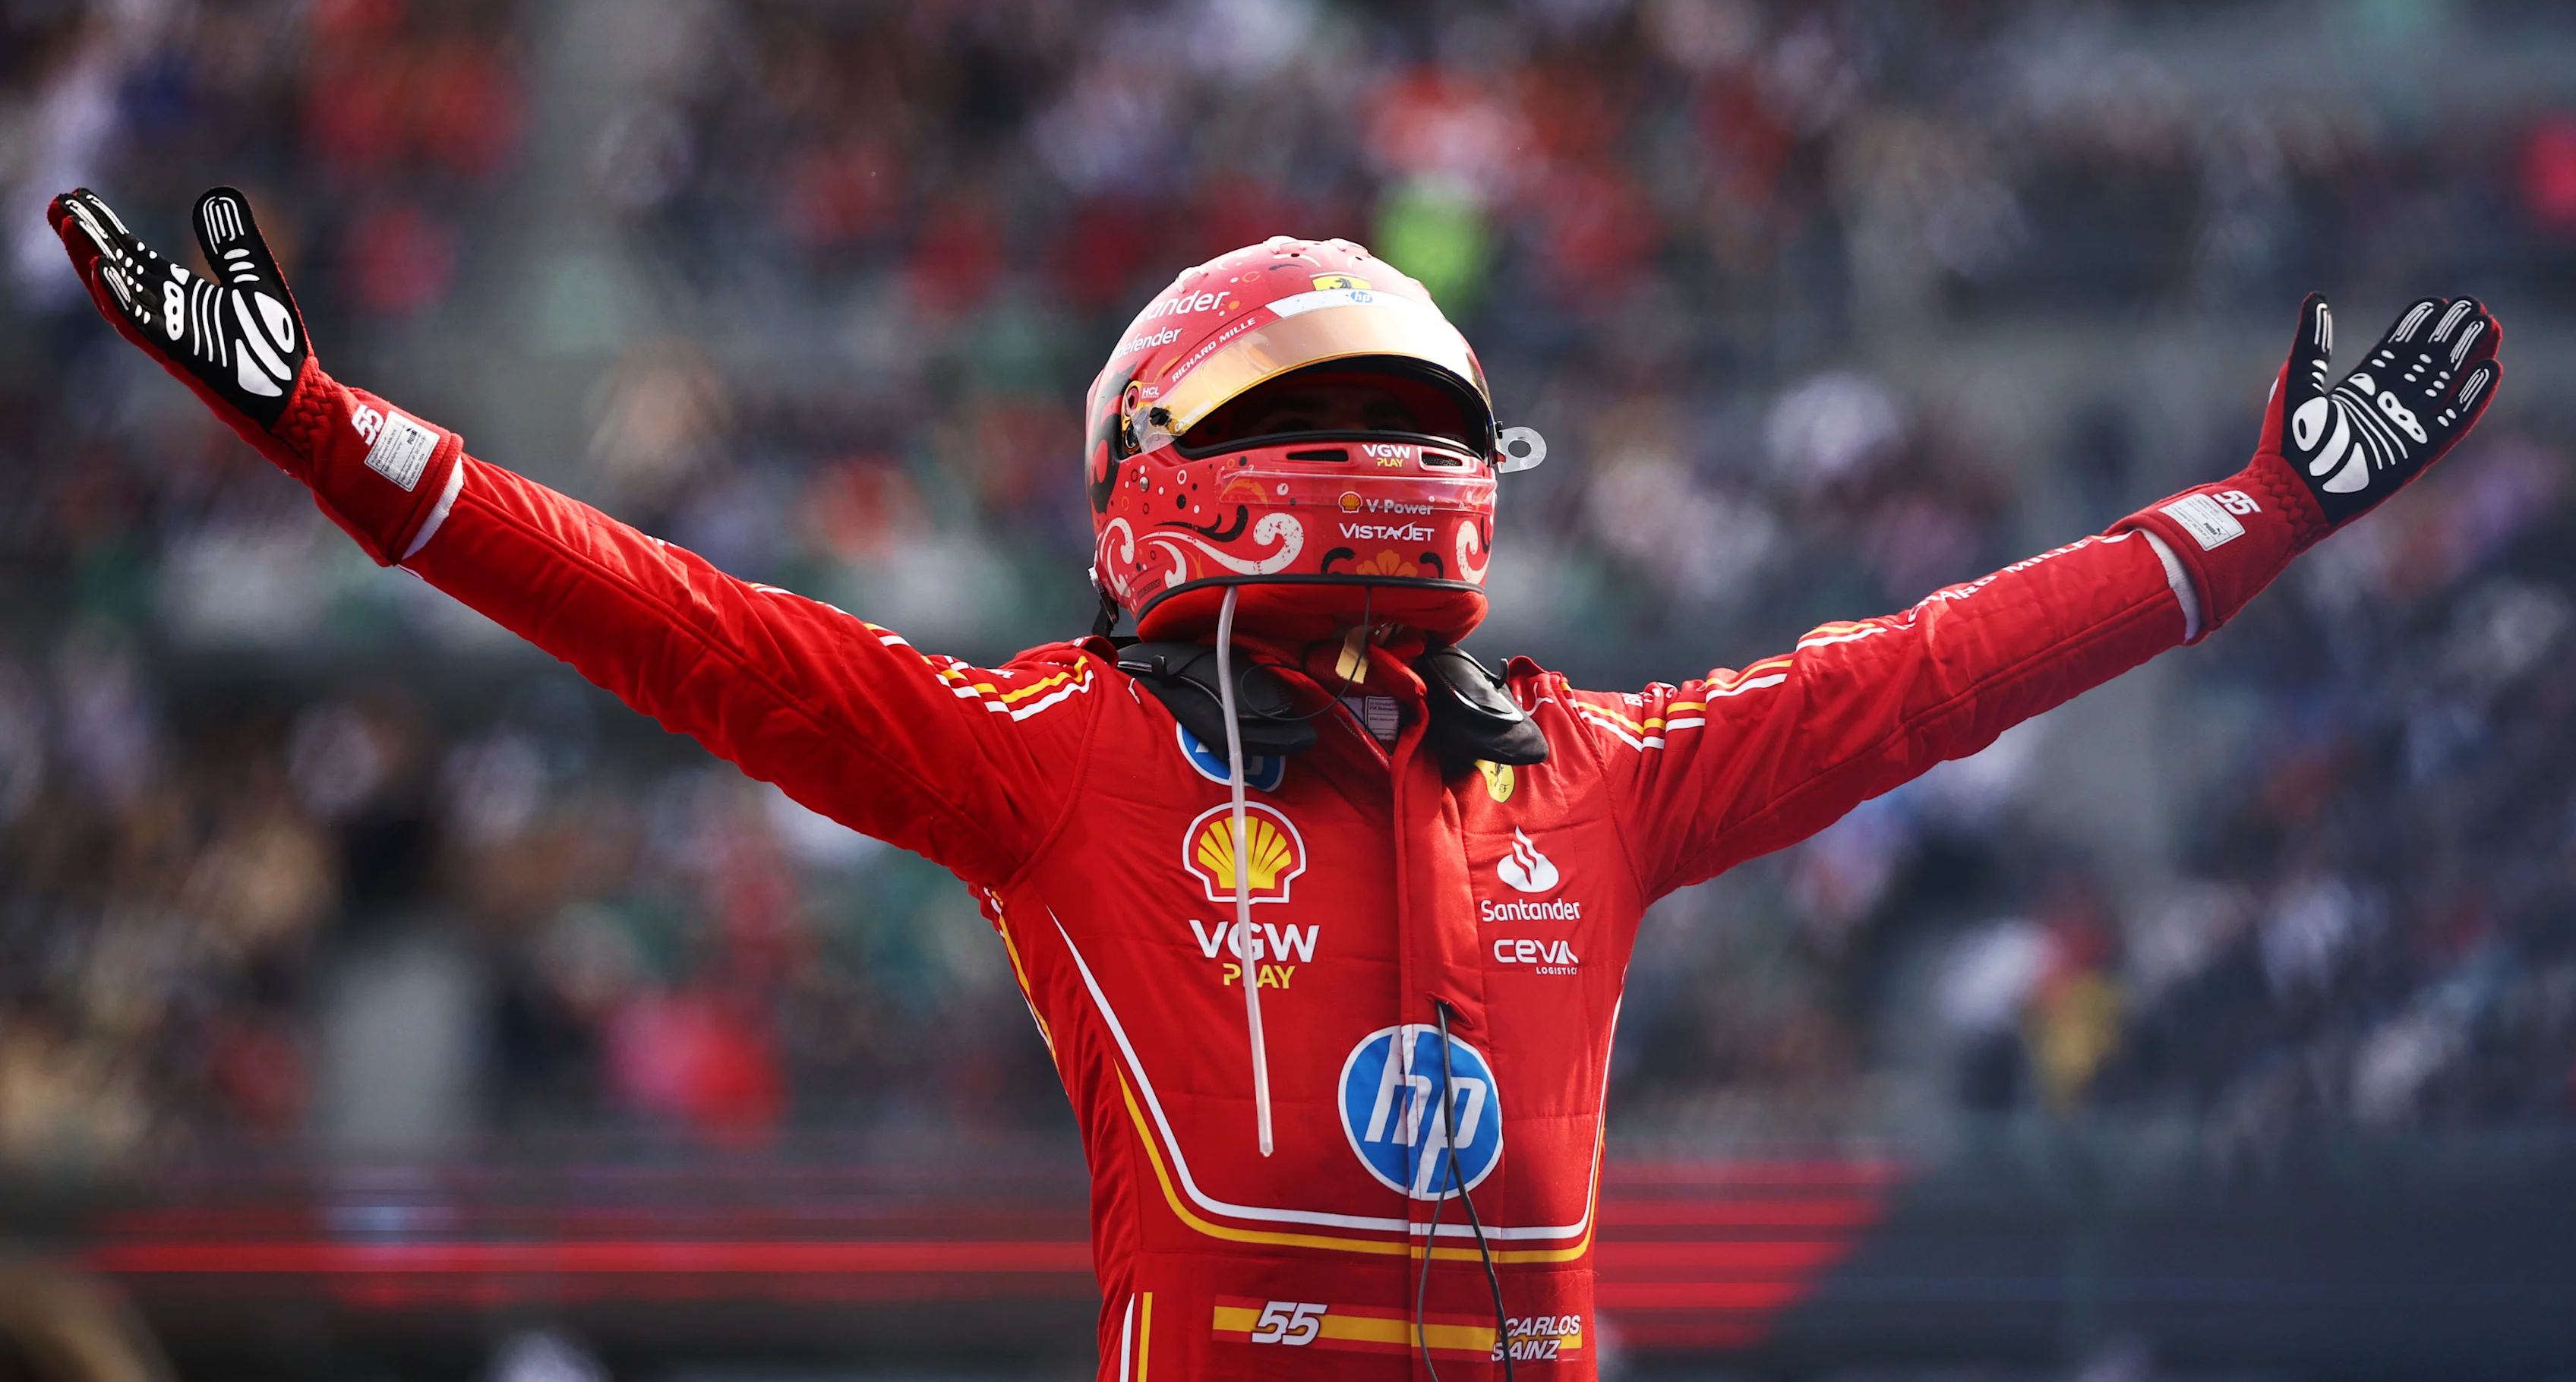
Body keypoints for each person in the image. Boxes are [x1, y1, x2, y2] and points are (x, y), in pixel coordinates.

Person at [50, 187, 2499, 1379]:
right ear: (1146, 475)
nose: (1375, 460)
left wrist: (2270, 507)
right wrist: (321, 424)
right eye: (1311, 423)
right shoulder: (1048, 757)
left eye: (1411, 420)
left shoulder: (1592, 767)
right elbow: (679, 624)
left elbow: (1938, 671)